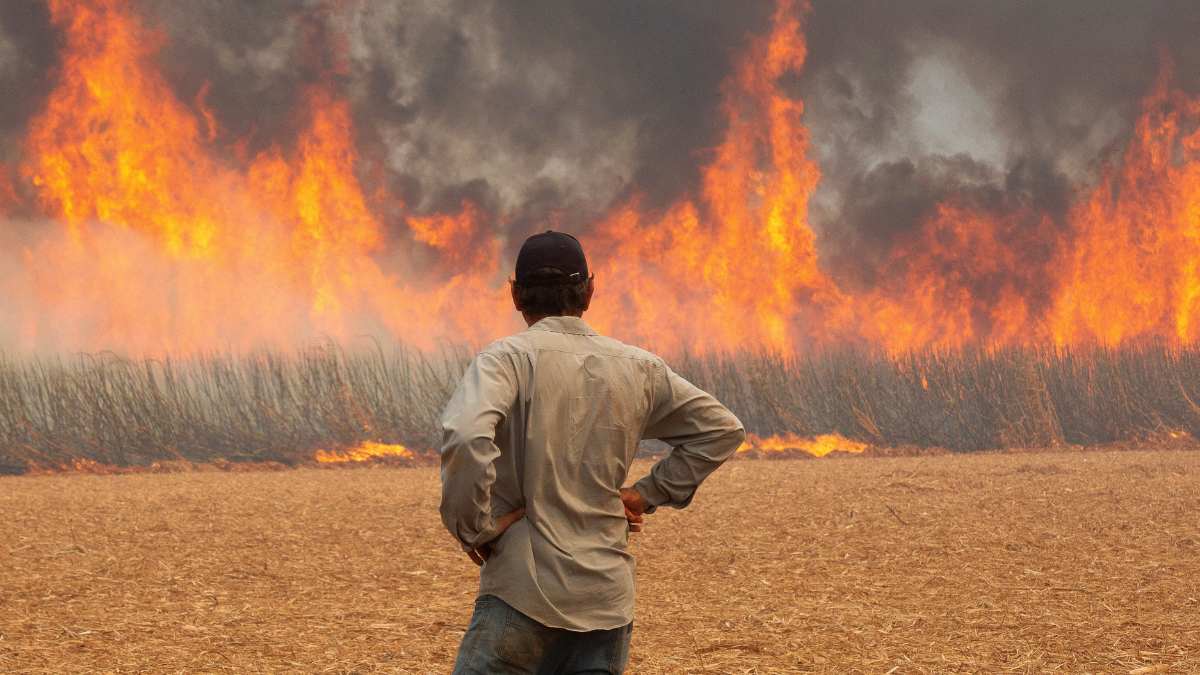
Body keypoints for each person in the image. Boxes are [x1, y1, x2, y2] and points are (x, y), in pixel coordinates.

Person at [439, 230, 745, 674]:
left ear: (515, 294)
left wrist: (476, 527)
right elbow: (721, 429)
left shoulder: (503, 361)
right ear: (590, 290)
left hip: (521, 590)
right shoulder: (638, 367)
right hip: (606, 599)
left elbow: (467, 435)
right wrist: (646, 494)